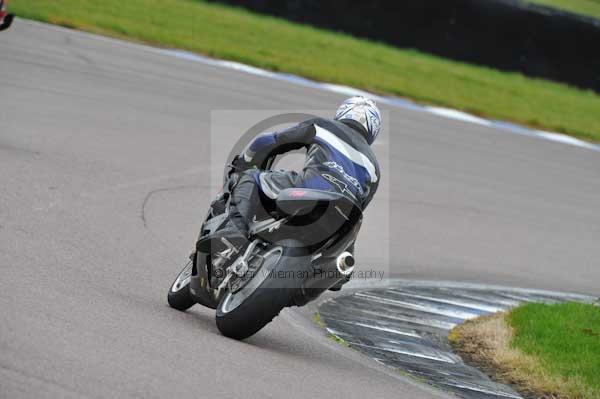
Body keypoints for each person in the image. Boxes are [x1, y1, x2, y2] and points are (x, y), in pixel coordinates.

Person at [198, 96, 381, 289]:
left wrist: (245, 161)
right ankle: (328, 273)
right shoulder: (374, 168)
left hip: (311, 189)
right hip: (342, 218)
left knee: (250, 177)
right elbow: (358, 212)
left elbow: (271, 141)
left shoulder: (323, 126)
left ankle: (236, 230)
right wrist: (345, 254)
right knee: (337, 268)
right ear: (373, 131)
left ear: (344, 112)